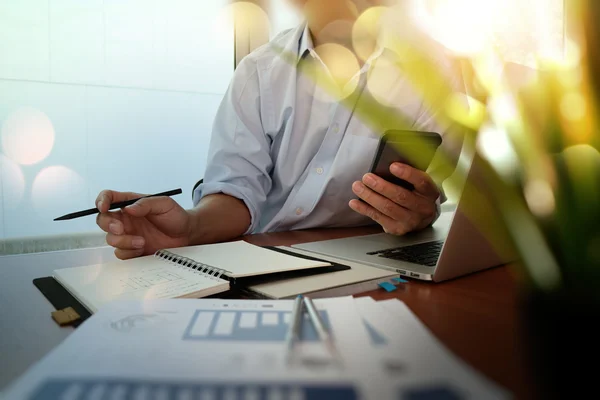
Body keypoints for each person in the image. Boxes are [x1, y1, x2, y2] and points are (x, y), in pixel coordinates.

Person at [95, 0, 464, 260]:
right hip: (262, 258)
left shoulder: (435, 74)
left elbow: (426, 196)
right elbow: (237, 192)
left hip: (374, 258)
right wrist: (189, 228)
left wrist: (418, 214)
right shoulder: (258, 72)